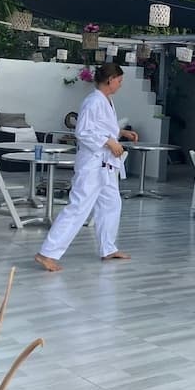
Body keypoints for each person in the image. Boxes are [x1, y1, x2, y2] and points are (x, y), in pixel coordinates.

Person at [34, 63, 138, 272]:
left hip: (106, 165)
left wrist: (120, 133)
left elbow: (101, 127)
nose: (120, 84)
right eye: (119, 80)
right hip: (93, 164)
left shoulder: (106, 100)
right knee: (78, 207)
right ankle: (47, 253)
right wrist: (109, 142)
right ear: (110, 80)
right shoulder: (93, 101)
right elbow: (83, 132)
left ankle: (108, 248)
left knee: (111, 204)